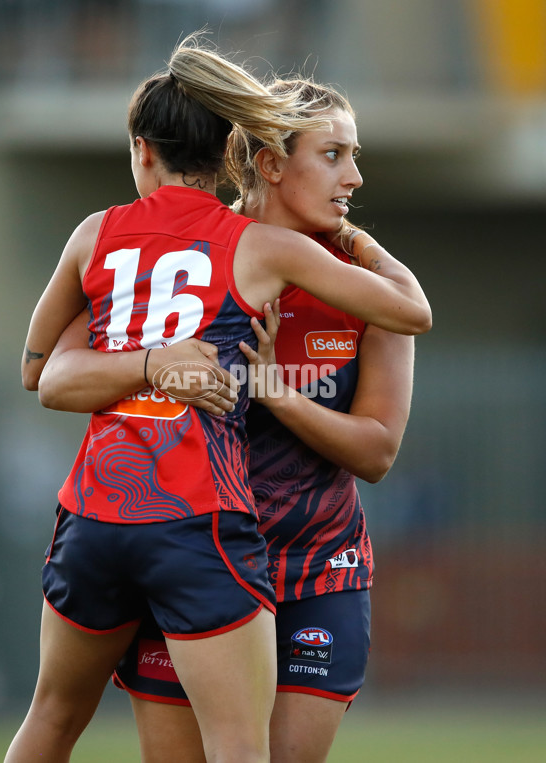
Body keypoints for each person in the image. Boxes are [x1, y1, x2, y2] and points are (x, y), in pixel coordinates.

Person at [35, 74, 426, 763]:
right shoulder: (194, 257)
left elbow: (377, 452)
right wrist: (152, 363)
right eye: (334, 154)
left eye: (355, 154)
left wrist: (278, 393)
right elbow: (52, 373)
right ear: (270, 163)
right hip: (190, 551)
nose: (356, 176)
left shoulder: (366, 290)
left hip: (314, 567)